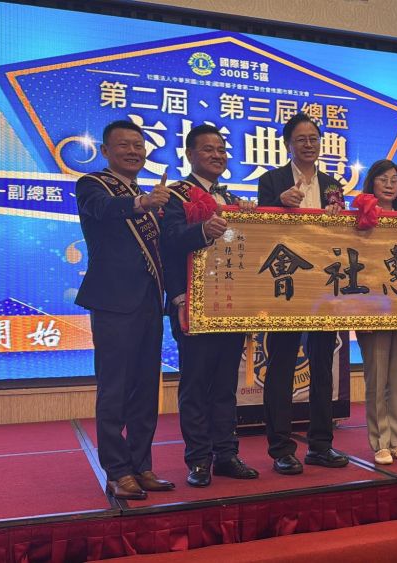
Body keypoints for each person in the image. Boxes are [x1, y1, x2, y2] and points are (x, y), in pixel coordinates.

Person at [75, 120, 174, 500]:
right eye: (124, 145)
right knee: (114, 389)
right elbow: (103, 210)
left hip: (149, 301)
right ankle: (117, 470)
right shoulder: (93, 185)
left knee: (146, 390)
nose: (133, 151)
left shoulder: (144, 195)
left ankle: (141, 465)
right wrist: (142, 203)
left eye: (138, 145)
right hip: (113, 302)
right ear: (105, 151)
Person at [160, 124, 259, 487]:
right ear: (190, 154)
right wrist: (178, 297)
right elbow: (167, 243)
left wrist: (248, 219)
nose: (217, 155)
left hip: (229, 303)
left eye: (221, 149)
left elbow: (241, 248)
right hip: (192, 303)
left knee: (225, 384)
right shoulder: (175, 195)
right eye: (208, 149)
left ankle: (226, 454)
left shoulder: (230, 197)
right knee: (196, 384)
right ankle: (199, 459)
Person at [256, 112, 349, 475]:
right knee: (281, 365)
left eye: (314, 138)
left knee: (323, 365)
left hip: (324, 285)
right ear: (287, 144)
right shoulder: (271, 181)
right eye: (301, 139)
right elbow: (260, 229)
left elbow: (339, 234)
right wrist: (278, 204)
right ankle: (281, 448)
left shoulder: (332, 185)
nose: (309, 144)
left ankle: (321, 445)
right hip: (287, 284)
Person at [354, 160, 397, 465]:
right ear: (372, 182)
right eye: (383, 179)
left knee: (396, 379)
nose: (390, 184)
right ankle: (379, 442)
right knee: (377, 380)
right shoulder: (360, 218)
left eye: (395, 179)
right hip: (372, 309)